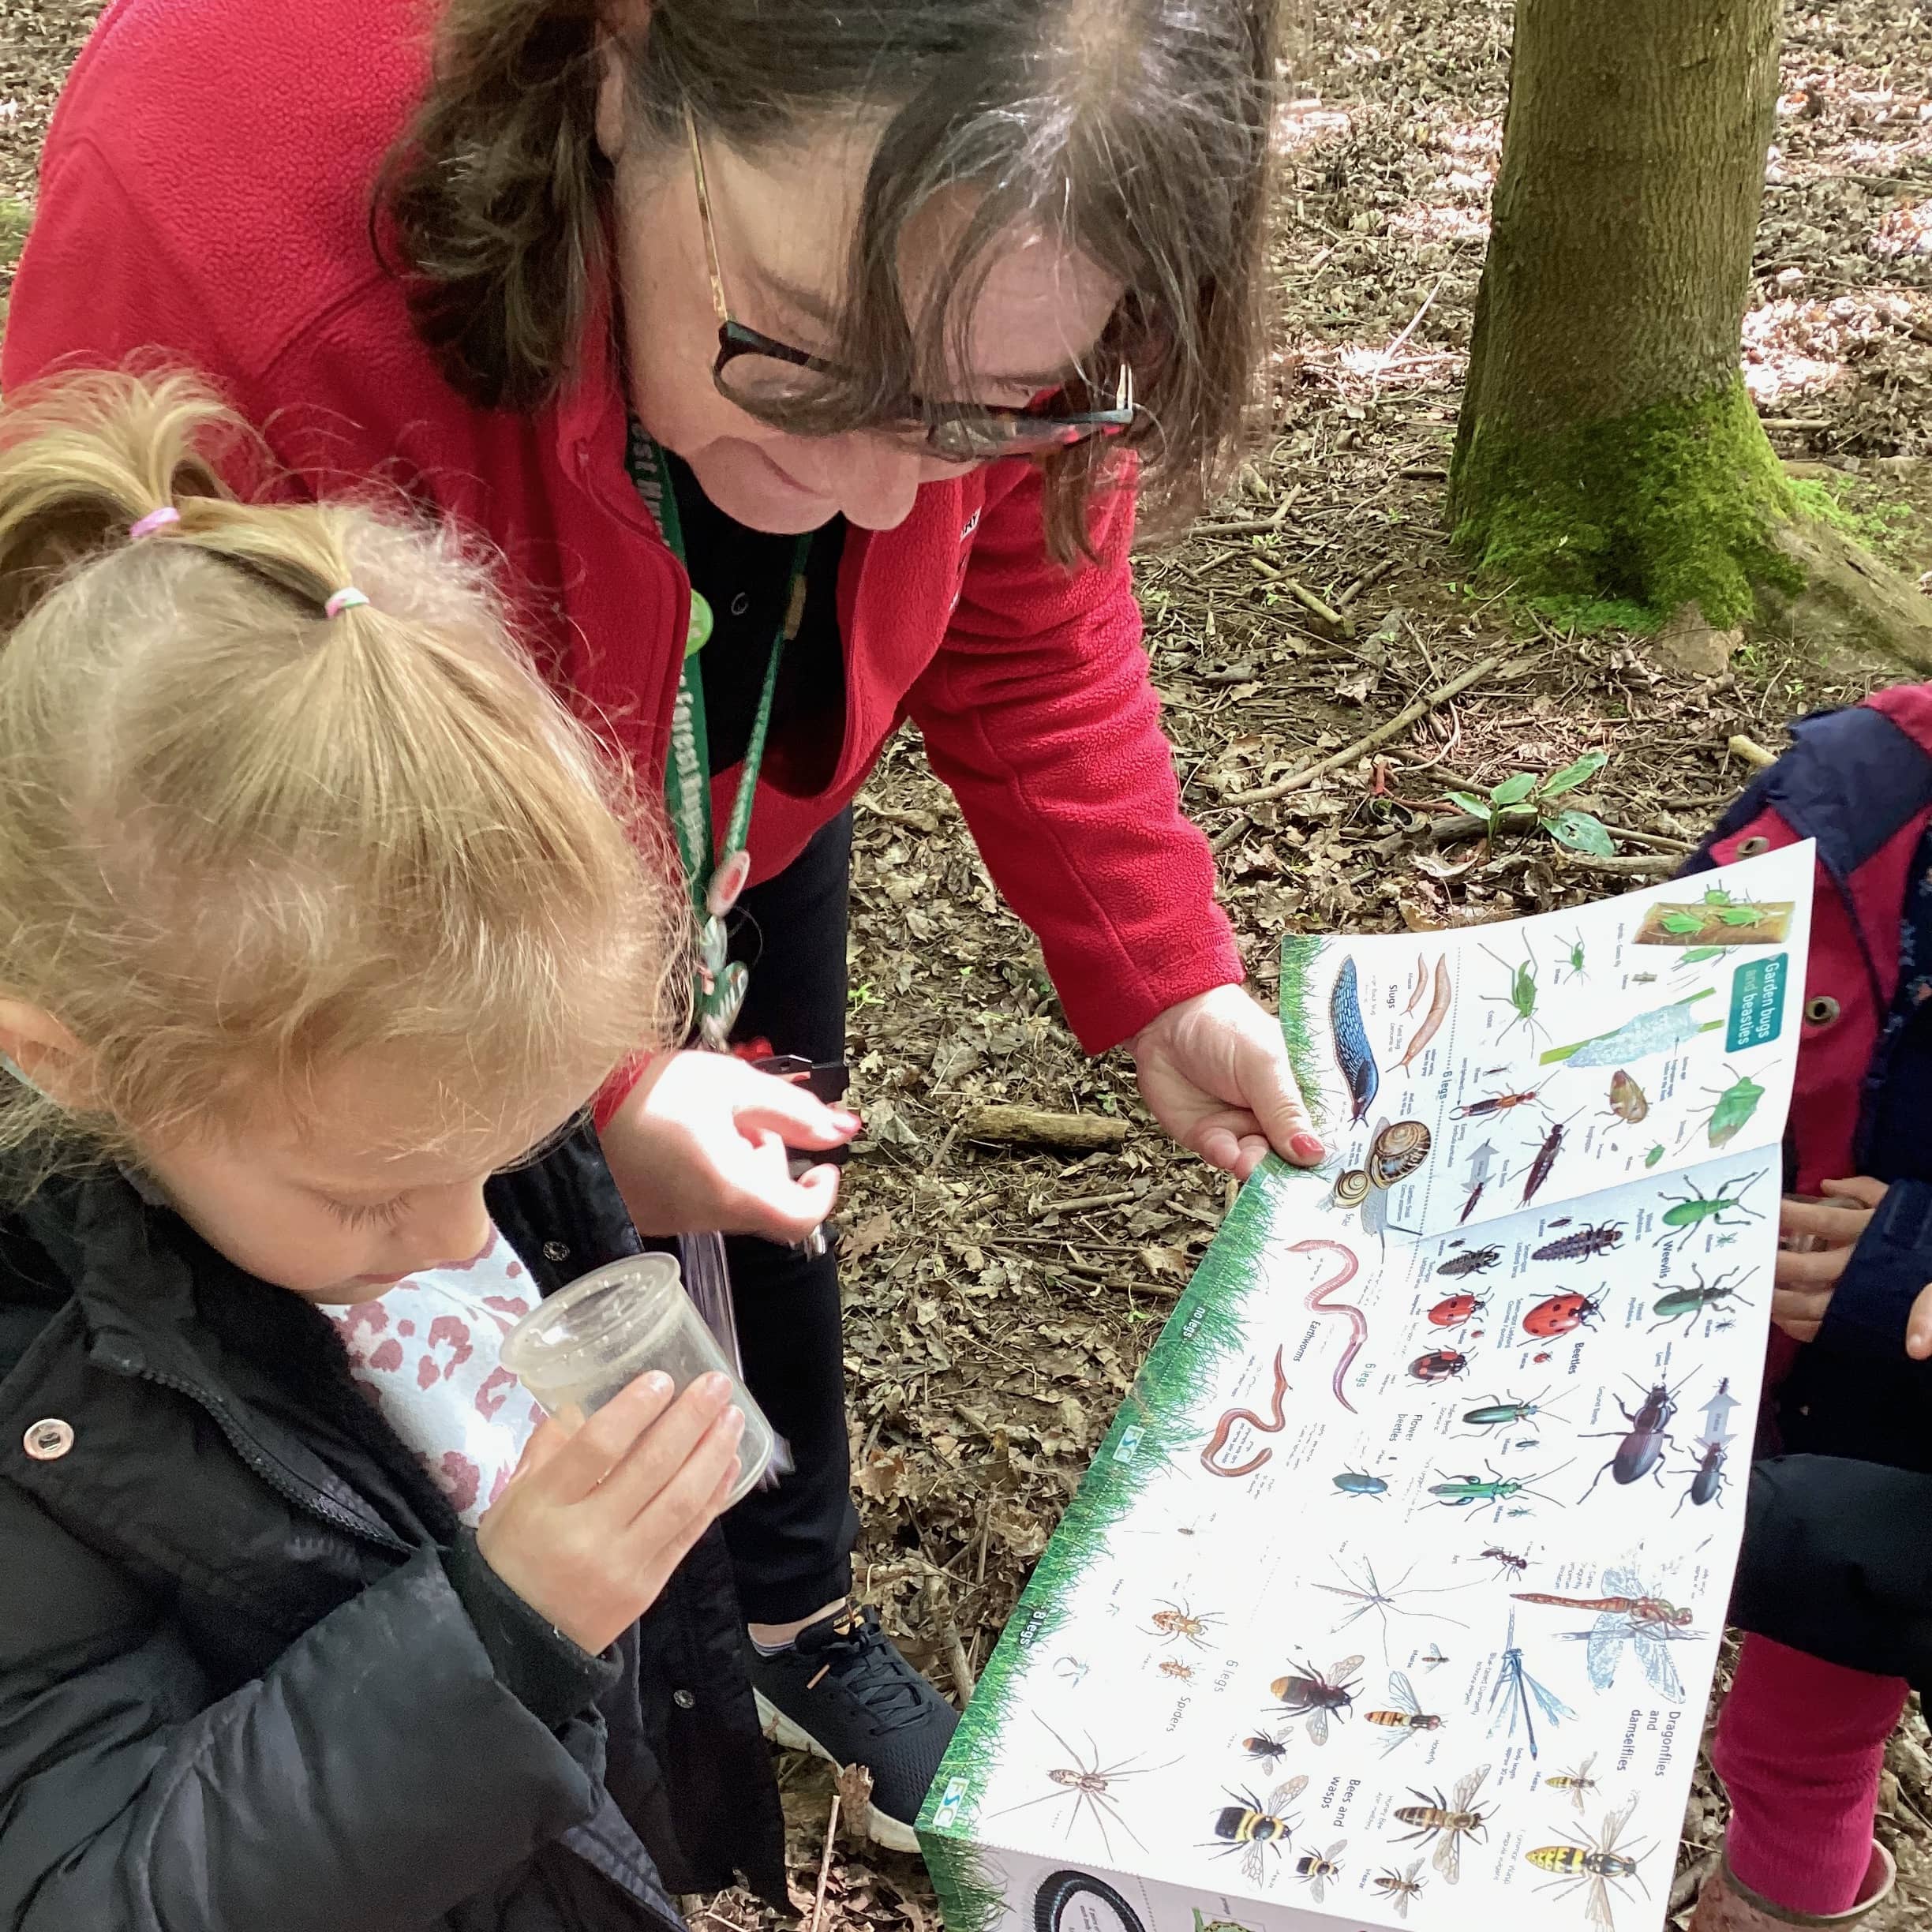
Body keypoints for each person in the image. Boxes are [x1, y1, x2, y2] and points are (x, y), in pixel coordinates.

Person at [2, 0, 1329, 1838]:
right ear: (623, 66)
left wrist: (1160, 966)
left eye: (989, 410)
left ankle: (766, 1621)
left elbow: (1024, 585)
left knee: (725, 1220)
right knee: (411, 1326)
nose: (884, 497)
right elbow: (134, 807)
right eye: (808, 362)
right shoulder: (227, 188)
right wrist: (575, 1087)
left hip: (689, 807)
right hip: (339, 939)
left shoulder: (993, 267)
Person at [0, 371, 785, 1930]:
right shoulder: (43, 1417)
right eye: (373, 1194)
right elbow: (94, 1893)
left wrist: (611, 1144)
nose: (452, 1240)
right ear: (68, 1065)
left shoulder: (377, 1090)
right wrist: (504, 1639)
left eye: (505, 1156)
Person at [1679, 683, 1932, 1929]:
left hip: (1900, 1434)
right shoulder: (1858, 786)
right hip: (1726, 1341)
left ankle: (1783, 1906)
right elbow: (1672, 960)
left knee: (1807, 1723)